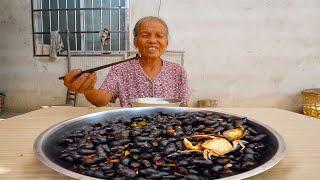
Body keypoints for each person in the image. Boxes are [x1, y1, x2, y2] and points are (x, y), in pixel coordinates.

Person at [63, 16, 189, 107]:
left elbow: (184, 106)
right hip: (132, 131)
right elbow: (101, 100)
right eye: (145, 35)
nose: (152, 40)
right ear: (135, 41)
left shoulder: (177, 71)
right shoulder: (121, 69)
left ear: (166, 41)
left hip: (169, 132)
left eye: (159, 36)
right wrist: (88, 90)